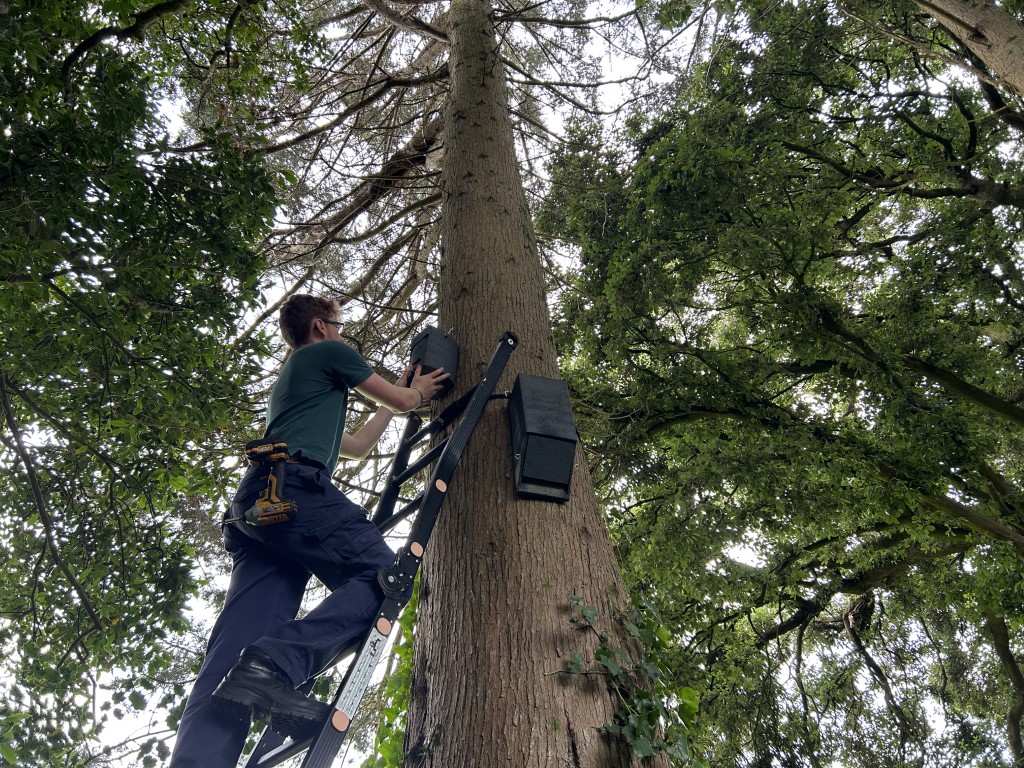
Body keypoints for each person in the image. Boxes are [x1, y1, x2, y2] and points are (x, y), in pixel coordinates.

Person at [168, 294, 448, 768]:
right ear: (321, 325)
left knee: (229, 659)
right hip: (292, 490)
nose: (343, 333)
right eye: (340, 324)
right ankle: (273, 665)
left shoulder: (298, 389)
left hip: (259, 509)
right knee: (386, 573)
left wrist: (398, 400)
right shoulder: (325, 352)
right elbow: (403, 400)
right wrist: (414, 393)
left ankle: (202, 755)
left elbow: (357, 446)